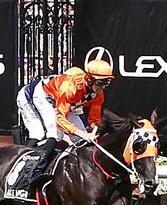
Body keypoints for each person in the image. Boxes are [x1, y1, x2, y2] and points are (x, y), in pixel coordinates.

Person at [18, 59, 115, 189]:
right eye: (100, 82)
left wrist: (94, 132)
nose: (102, 87)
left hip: (65, 103)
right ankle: (33, 173)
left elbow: (94, 119)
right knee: (48, 133)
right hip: (40, 95)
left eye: (106, 82)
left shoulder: (99, 94)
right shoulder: (70, 88)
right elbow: (59, 119)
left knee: (82, 139)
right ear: (90, 79)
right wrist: (81, 133)